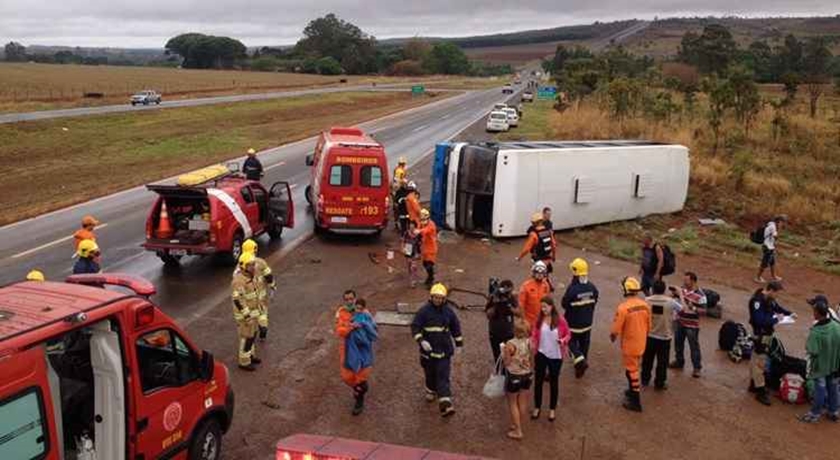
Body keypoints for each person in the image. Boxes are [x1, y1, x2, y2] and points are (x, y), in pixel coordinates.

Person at [411, 283, 463, 417]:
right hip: (428, 352)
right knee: (430, 374)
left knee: (443, 376)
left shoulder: (448, 312)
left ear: (444, 299)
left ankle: (446, 403)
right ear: (431, 297)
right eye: (436, 297)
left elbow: (455, 328)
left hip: (444, 350)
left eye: (440, 298)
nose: (438, 300)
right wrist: (421, 341)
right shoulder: (423, 312)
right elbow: (415, 327)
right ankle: (430, 390)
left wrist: (459, 345)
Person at [748, 281, 793, 405]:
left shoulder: (768, 299)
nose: (777, 296)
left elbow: (777, 308)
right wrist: (775, 319)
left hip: (765, 334)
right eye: (777, 293)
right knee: (760, 362)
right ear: (771, 290)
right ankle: (760, 391)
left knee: (755, 359)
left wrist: (789, 314)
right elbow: (759, 320)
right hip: (760, 335)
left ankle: (754, 384)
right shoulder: (757, 301)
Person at [610, 277, 651, 412]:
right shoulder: (645, 305)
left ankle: (636, 401)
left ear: (626, 290)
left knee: (632, 371)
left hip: (630, 344)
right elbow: (649, 325)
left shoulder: (623, 308)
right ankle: (632, 391)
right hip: (642, 342)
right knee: (633, 368)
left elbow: (615, 329)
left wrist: (613, 336)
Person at [335, 292, 378, 416]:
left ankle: (359, 399)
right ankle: (358, 389)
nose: (350, 301)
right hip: (348, 348)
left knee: (361, 377)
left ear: (355, 299)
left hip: (363, 349)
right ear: (344, 301)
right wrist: (350, 327)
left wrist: (364, 325)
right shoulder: (341, 312)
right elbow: (339, 330)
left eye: (351, 299)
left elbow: (374, 328)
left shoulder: (364, 312)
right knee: (347, 377)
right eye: (347, 299)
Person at [799, 297, 840, 423]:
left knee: (820, 390)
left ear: (817, 313)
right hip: (835, 364)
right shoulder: (836, 326)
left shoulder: (816, 331)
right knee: (833, 388)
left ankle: (814, 414)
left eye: (814, 311)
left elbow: (812, 351)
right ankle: (833, 411)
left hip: (820, 366)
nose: (813, 313)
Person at [530, 297, 570, 423]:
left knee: (554, 382)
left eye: (545, 307)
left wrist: (563, 341)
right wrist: (532, 342)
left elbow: (568, 334)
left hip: (556, 356)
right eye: (542, 307)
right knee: (538, 381)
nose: (543, 309)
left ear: (551, 306)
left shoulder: (560, 320)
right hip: (541, 353)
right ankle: (537, 407)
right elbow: (534, 334)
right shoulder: (539, 319)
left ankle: (552, 409)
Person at [562, 258, 599, 378]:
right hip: (587, 323)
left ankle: (580, 360)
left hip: (573, 324)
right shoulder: (592, 287)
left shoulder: (572, 289)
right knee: (584, 345)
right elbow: (595, 301)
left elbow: (564, 304)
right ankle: (581, 367)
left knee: (571, 343)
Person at [642, 280, 682, 390]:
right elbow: (684, 309)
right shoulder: (670, 302)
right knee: (662, 362)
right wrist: (680, 294)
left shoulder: (646, 300)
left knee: (647, 360)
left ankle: (645, 379)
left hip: (650, 335)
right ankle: (659, 383)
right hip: (665, 337)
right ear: (664, 290)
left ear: (653, 289)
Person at [670, 272, 706, 378]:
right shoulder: (682, 290)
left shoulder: (701, 295)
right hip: (680, 321)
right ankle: (679, 361)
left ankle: (697, 368)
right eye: (684, 280)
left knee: (694, 347)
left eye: (687, 280)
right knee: (678, 343)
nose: (684, 282)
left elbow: (704, 311)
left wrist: (693, 308)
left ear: (693, 281)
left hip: (692, 325)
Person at [502, 318, 533, 440]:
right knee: (523, 401)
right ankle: (517, 424)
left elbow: (507, 363)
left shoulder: (510, 344)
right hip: (527, 374)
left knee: (512, 403)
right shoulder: (530, 342)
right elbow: (532, 358)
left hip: (514, 375)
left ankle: (518, 430)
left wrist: (504, 354)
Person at [231, 253, 262, 371]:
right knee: (246, 337)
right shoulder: (239, 281)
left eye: (253, 265)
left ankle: (250, 355)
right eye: (250, 265)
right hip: (244, 315)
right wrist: (247, 316)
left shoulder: (249, 276)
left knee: (252, 334)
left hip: (252, 312)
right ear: (243, 266)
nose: (253, 267)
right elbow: (237, 300)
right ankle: (244, 362)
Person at [241, 239, 275, 341]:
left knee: (251, 316)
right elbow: (269, 276)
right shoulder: (261, 262)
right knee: (263, 312)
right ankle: (263, 327)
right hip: (261, 294)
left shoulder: (242, 264)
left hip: (248, 296)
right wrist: (272, 285)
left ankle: (252, 333)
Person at [486, 280, 519, 363]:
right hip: (495, 333)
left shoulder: (511, 298)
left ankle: (509, 373)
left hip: (508, 333)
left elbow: (519, 313)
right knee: (497, 356)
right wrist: (495, 305)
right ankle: (499, 372)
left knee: (510, 355)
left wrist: (509, 306)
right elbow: (488, 315)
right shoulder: (494, 297)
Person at [517, 212, 556, 277]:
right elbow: (553, 245)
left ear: (534, 223)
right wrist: (553, 256)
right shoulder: (549, 231)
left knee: (536, 278)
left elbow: (527, 249)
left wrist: (520, 257)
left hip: (538, 260)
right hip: (547, 260)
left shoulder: (534, 234)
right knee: (546, 277)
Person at [518, 261, 552, 329]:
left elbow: (548, 302)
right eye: (537, 273)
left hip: (542, 320)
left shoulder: (546, 285)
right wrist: (523, 320)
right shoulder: (526, 286)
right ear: (533, 273)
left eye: (541, 273)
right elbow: (521, 305)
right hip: (529, 321)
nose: (539, 275)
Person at [755, 215, 787, 283]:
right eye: (782, 222)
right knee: (765, 263)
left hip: (770, 246)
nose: (783, 224)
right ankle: (758, 277)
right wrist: (778, 232)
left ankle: (774, 276)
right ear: (779, 221)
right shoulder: (773, 227)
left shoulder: (771, 224)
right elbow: (775, 236)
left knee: (772, 262)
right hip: (767, 247)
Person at [414, 209, 438, 288]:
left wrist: (419, 231)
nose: (422, 221)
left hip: (431, 248)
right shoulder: (421, 224)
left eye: (424, 219)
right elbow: (419, 230)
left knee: (429, 265)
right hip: (424, 248)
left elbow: (426, 230)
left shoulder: (431, 224)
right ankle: (429, 277)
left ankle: (431, 279)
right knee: (424, 264)